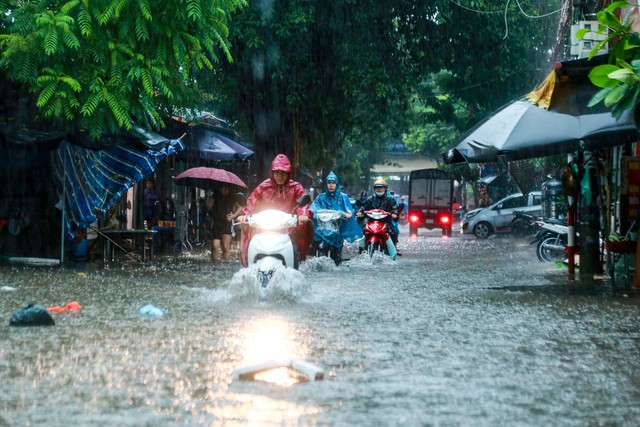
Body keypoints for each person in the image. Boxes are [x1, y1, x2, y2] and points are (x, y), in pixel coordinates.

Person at [236, 154, 311, 267]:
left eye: (283, 173)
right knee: (252, 245)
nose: (280, 176)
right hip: (264, 229)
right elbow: (252, 202)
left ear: (288, 173)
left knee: (295, 250)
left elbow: (303, 205)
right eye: (277, 172)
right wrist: (245, 215)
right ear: (272, 172)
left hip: (288, 230)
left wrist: (303, 215)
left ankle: (294, 275)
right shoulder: (263, 187)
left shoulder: (295, 187)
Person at [308, 171, 363, 265]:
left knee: (337, 254)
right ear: (326, 184)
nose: (331, 185)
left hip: (337, 227)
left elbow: (349, 211)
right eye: (329, 183)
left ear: (336, 184)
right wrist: (314, 214)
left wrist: (345, 214)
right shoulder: (321, 197)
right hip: (323, 228)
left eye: (333, 183)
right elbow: (313, 209)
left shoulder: (343, 197)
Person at [356, 179, 399, 259]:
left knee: (393, 232)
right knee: (363, 232)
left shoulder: (390, 199)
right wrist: (360, 212)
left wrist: (394, 214)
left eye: (381, 188)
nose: (379, 189)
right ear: (374, 189)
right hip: (371, 222)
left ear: (385, 189)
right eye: (377, 188)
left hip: (386, 222)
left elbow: (395, 208)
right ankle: (361, 252)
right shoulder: (370, 199)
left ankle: (392, 254)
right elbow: (364, 208)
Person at [207, 185, 242, 262]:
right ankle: (215, 265)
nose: (223, 188)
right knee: (215, 246)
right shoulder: (216, 193)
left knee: (226, 248)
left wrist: (233, 216)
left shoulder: (232, 195)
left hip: (227, 222)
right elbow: (209, 207)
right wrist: (209, 199)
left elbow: (240, 207)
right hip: (216, 222)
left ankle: (225, 266)